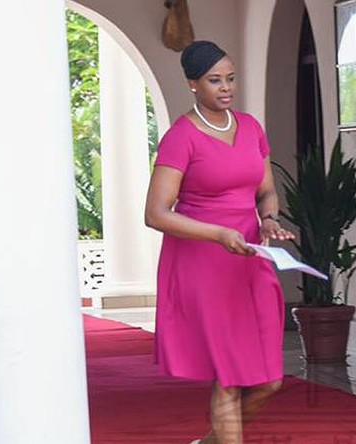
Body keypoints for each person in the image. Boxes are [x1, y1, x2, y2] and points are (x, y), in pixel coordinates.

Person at [145, 40, 294, 444]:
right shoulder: (181, 137)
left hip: (250, 259)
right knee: (228, 377)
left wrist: (268, 220)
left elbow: (266, 191)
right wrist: (219, 234)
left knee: (269, 381)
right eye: (215, 81)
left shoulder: (250, 127)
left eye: (230, 79)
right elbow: (156, 213)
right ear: (193, 84)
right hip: (203, 264)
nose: (226, 88)